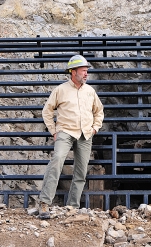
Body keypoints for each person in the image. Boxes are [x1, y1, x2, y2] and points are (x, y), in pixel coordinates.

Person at [38, 55, 104, 219]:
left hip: (85, 135)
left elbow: (99, 111)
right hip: (65, 132)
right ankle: (45, 204)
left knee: (81, 173)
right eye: (83, 70)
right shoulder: (60, 90)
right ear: (73, 72)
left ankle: (72, 207)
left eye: (87, 71)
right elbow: (47, 111)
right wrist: (54, 131)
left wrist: (95, 128)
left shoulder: (90, 91)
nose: (86, 74)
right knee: (57, 161)